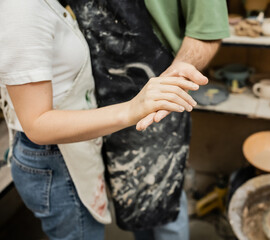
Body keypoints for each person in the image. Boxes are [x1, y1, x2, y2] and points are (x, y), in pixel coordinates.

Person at [0, 0, 207, 239]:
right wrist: (131, 109)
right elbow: (36, 123)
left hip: (72, 147)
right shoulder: (21, 8)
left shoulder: (48, 4)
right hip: (53, 157)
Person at [66, 0, 230, 239]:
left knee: (163, 202)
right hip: (96, 101)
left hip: (158, 90)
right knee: (133, 203)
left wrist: (171, 82)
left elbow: (207, 31)